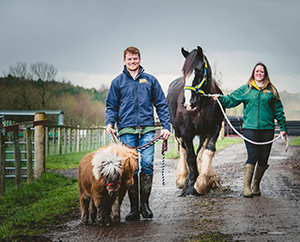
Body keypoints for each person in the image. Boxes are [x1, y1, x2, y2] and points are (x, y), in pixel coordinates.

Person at [106, 46, 171, 220]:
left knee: (148, 164)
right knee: (131, 169)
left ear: (139, 59)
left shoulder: (150, 80)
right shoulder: (117, 82)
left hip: (148, 130)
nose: (132, 61)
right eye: (129, 59)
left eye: (135, 59)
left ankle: (145, 205)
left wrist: (166, 126)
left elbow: (161, 104)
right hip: (126, 131)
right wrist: (110, 123)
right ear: (124, 60)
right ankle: (134, 209)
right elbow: (111, 106)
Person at [212, 62, 287, 197]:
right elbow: (231, 100)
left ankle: (256, 185)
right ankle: (246, 187)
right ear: (253, 73)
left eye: (262, 71)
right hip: (250, 129)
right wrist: (220, 98)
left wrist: (283, 127)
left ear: (265, 74)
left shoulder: (272, 91)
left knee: (263, 159)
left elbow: (278, 110)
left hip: (267, 129)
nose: (259, 73)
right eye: (257, 71)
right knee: (252, 155)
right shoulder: (246, 89)